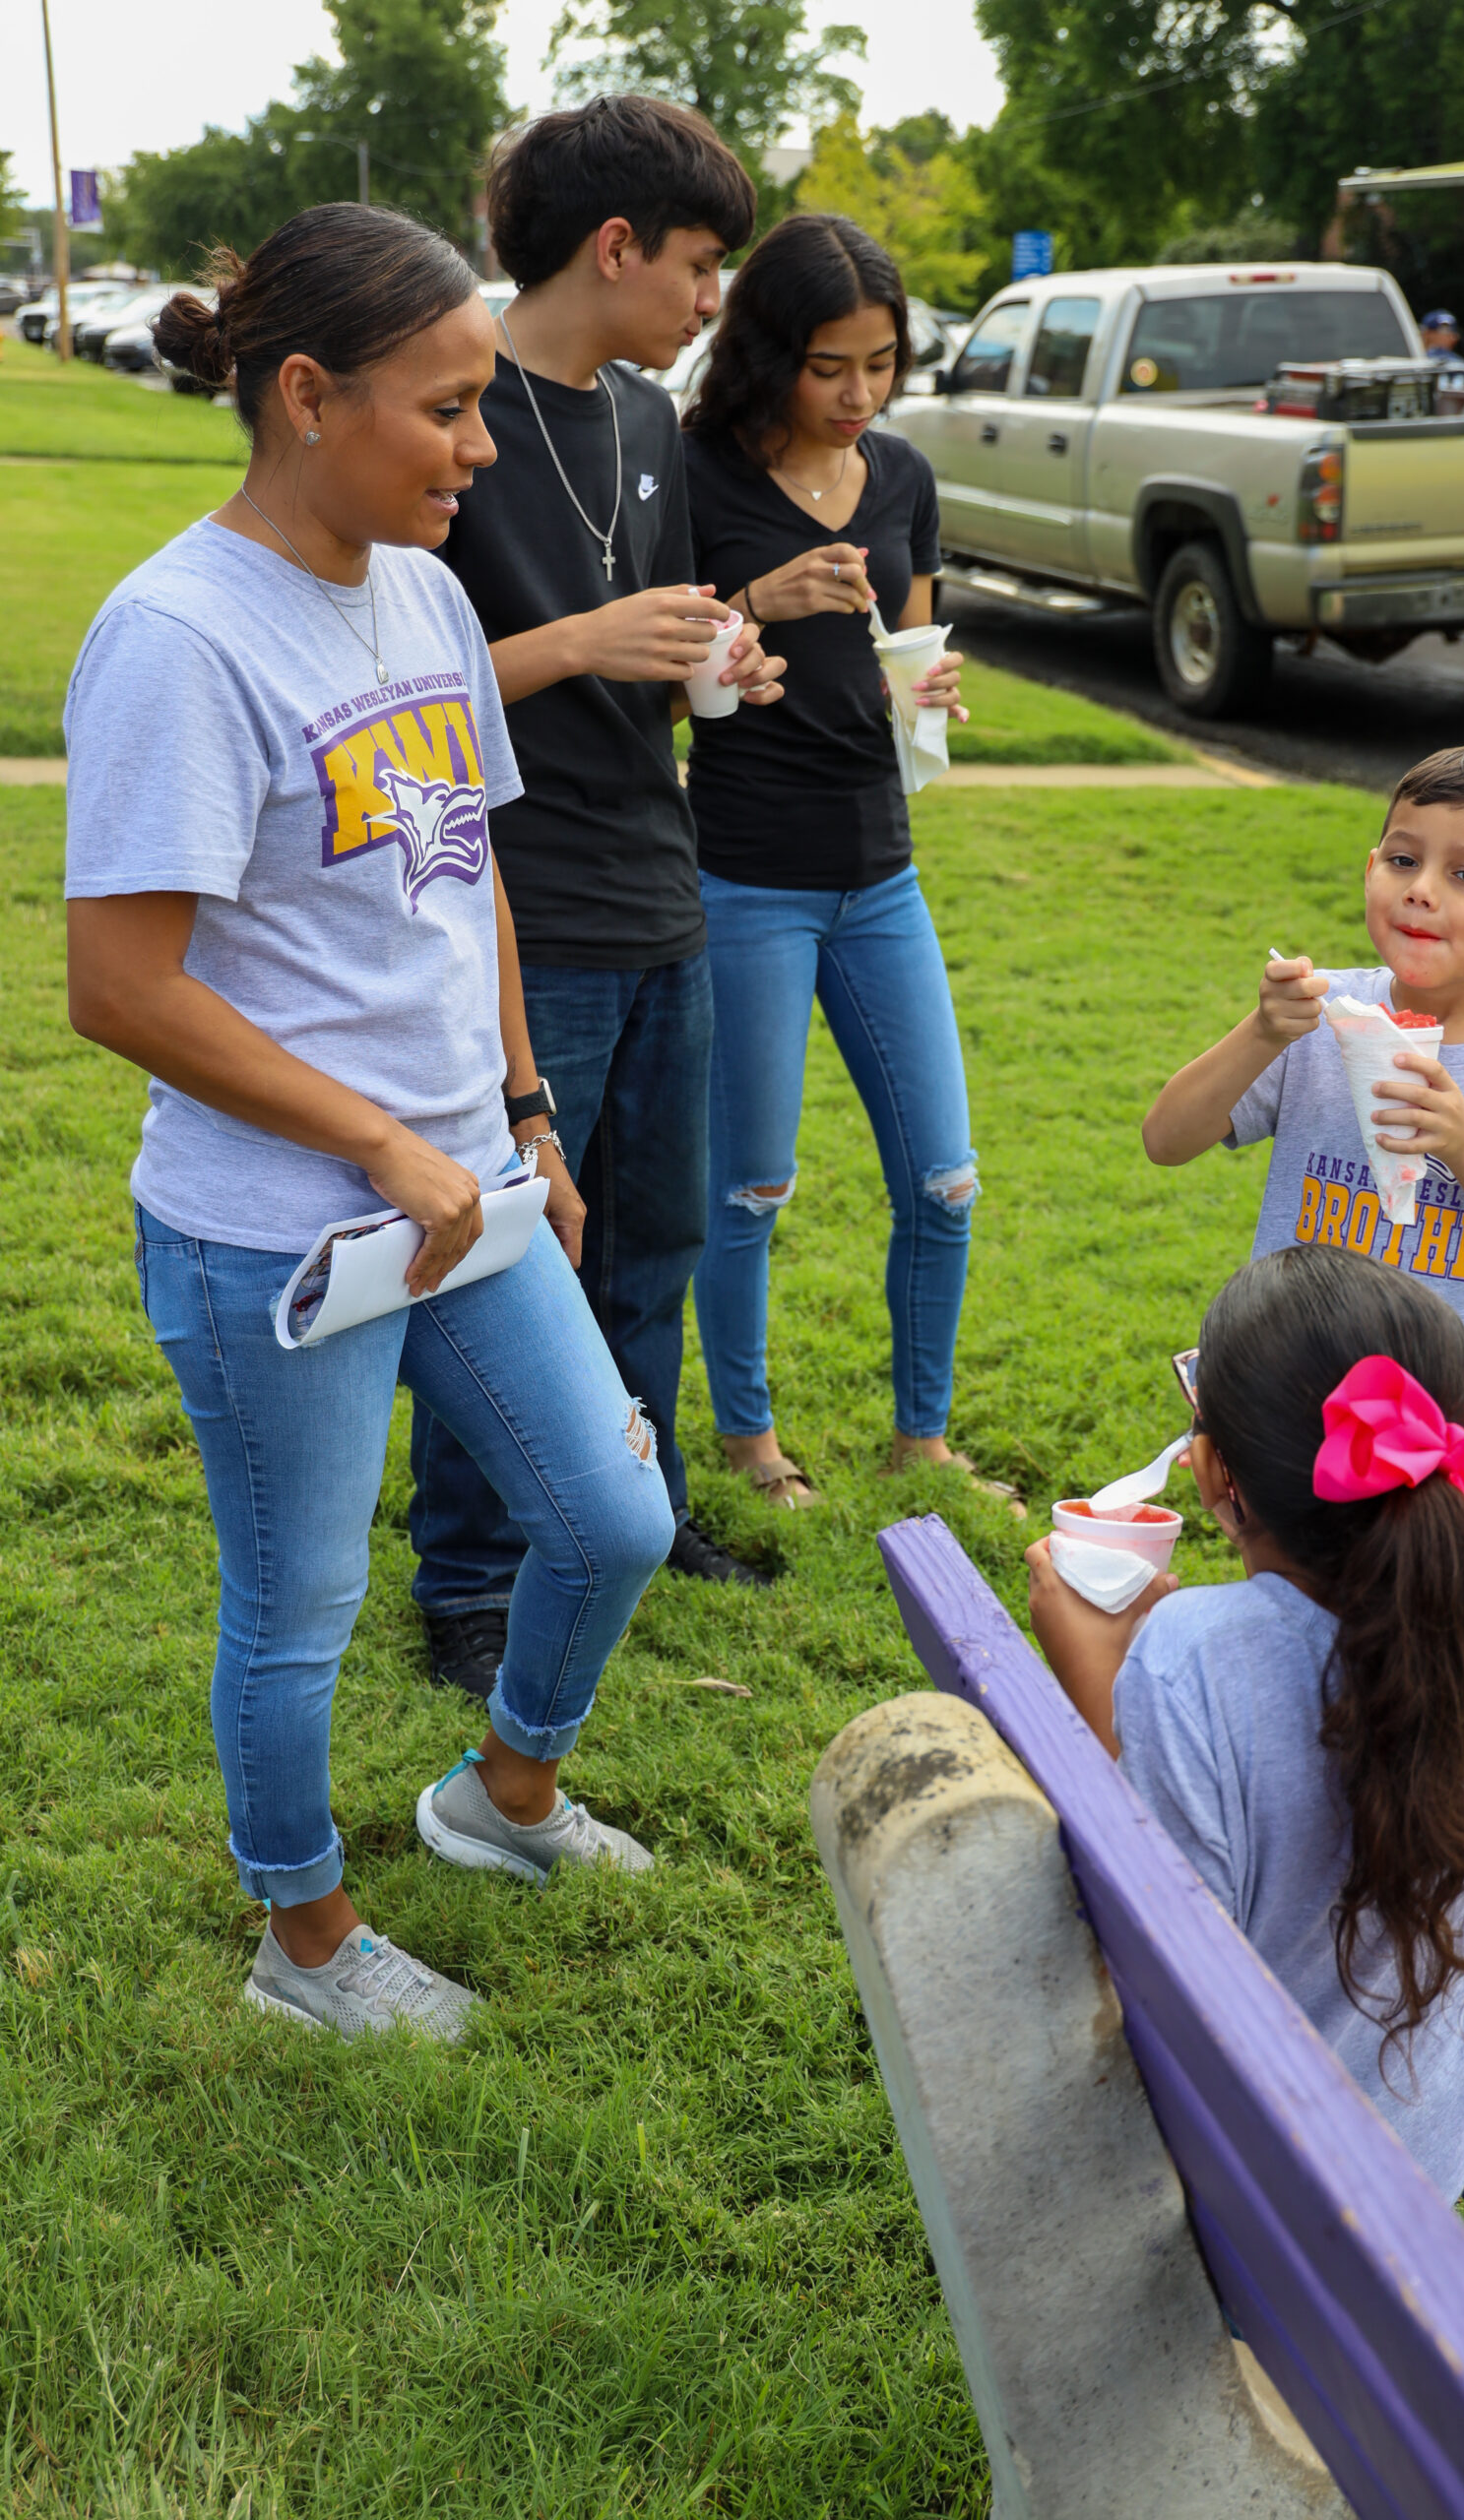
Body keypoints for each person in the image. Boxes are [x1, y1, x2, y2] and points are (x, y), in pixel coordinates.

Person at [63, 205, 676, 2045]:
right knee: (299, 1607)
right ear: (308, 397)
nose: (481, 450)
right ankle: (304, 1942)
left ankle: (499, 1797)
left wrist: (519, 1107)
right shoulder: (178, 635)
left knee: (612, 1514)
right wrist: (382, 1145)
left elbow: (465, 862)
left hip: (465, 1181)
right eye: (449, 408)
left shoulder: (420, 586)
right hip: (284, 1233)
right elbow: (122, 988)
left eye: (484, 404)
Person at [407, 97, 789, 1696]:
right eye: (699, 264)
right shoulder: (445, 403)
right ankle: (471, 1579)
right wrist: (575, 642)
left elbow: (670, 636)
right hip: (518, 915)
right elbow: (381, 684)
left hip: (659, 884)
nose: (713, 301)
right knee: (510, 1254)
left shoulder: (650, 421)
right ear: (615, 246)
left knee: (656, 1243)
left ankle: (638, 1503)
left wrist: (728, 660)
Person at [1026, 1243, 1464, 2198]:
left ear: (1217, 1474)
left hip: (1261, 2202)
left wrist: (1097, 1691)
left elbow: (1159, 1985)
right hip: (1427, 2135)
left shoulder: (1188, 1662)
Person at [681, 214, 1012, 1512]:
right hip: (744, 877)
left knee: (943, 1176)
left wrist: (926, 691)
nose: (857, 394)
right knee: (751, 1186)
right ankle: (745, 1441)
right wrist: (755, 602)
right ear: (768, 354)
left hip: (881, 872)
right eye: (829, 366)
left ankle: (919, 1438)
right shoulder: (692, 473)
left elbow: (903, 658)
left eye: (877, 363)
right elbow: (652, 673)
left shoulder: (903, 478)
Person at [1141, 744, 1464, 1570]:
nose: (1421, 889)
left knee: (1439, 1656)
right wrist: (1260, 1032)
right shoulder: (1322, 1014)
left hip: (1452, 1434)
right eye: (1402, 859)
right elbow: (1166, 1139)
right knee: (1296, 1617)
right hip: (1306, 1400)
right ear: (1371, 867)